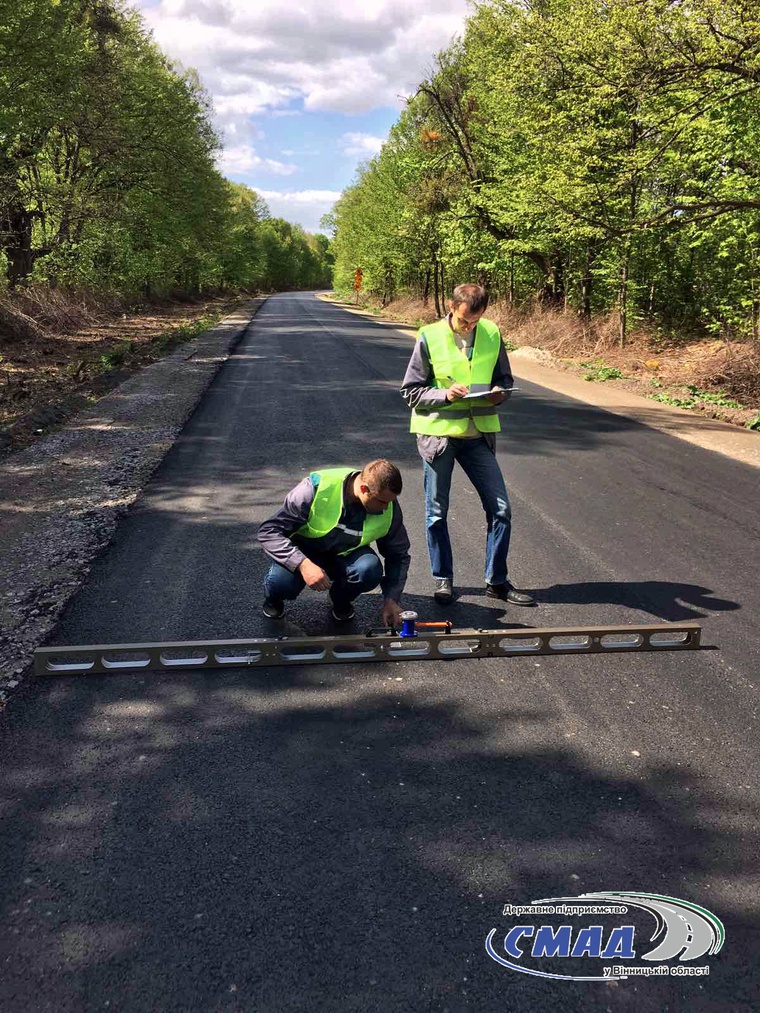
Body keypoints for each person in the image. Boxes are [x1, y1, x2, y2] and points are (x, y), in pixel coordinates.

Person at [400, 283, 534, 606]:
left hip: (477, 437)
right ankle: (443, 578)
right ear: (451, 306)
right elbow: (411, 391)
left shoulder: (491, 334)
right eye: (464, 321)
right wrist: (443, 395)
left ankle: (497, 581)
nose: (469, 327)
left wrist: (499, 392)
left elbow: (505, 379)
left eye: (475, 321)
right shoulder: (429, 336)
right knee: (436, 513)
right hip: (440, 438)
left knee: (501, 509)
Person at [257, 459, 410, 627]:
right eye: (382, 502)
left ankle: (340, 600)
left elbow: (398, 554)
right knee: (280, 583)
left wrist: (391, 599)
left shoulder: (387, 504)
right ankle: (274, 601)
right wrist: (303, 564)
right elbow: (269, 532)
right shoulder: (314, 489)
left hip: (345, 553)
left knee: (369, 570)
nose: (387, 507)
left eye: (390, 501)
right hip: (305, 552)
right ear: (364, 489)